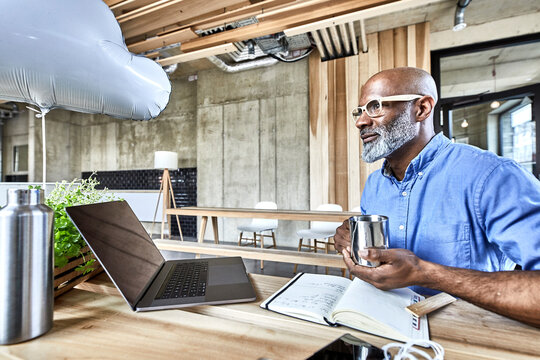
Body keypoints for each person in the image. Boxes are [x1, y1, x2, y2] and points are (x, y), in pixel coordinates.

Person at [334, 67, 540, 327]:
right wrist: (352, 242)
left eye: (375, 107)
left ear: (421, 109)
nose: (361, 122)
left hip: (467, 338)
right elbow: (381, 268)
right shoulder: (375, 184)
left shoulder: (493, 177)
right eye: (359, 111)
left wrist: (427, 274)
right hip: (385, 331)